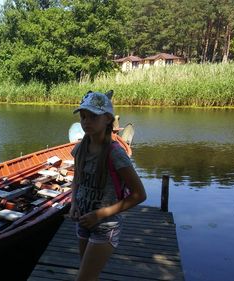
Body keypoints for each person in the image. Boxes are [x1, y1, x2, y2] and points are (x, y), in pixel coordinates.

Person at [69, 90, 147, 281]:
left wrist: (99, 214)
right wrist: (73, 205)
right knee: (87, 275)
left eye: (93, 116)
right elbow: (76, 180)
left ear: (108, 119)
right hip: (83, 221)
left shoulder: (116, 154)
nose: (86, 121)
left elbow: (139, 195)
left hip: (105, 226)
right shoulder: (80, 149)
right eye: (83, 116)